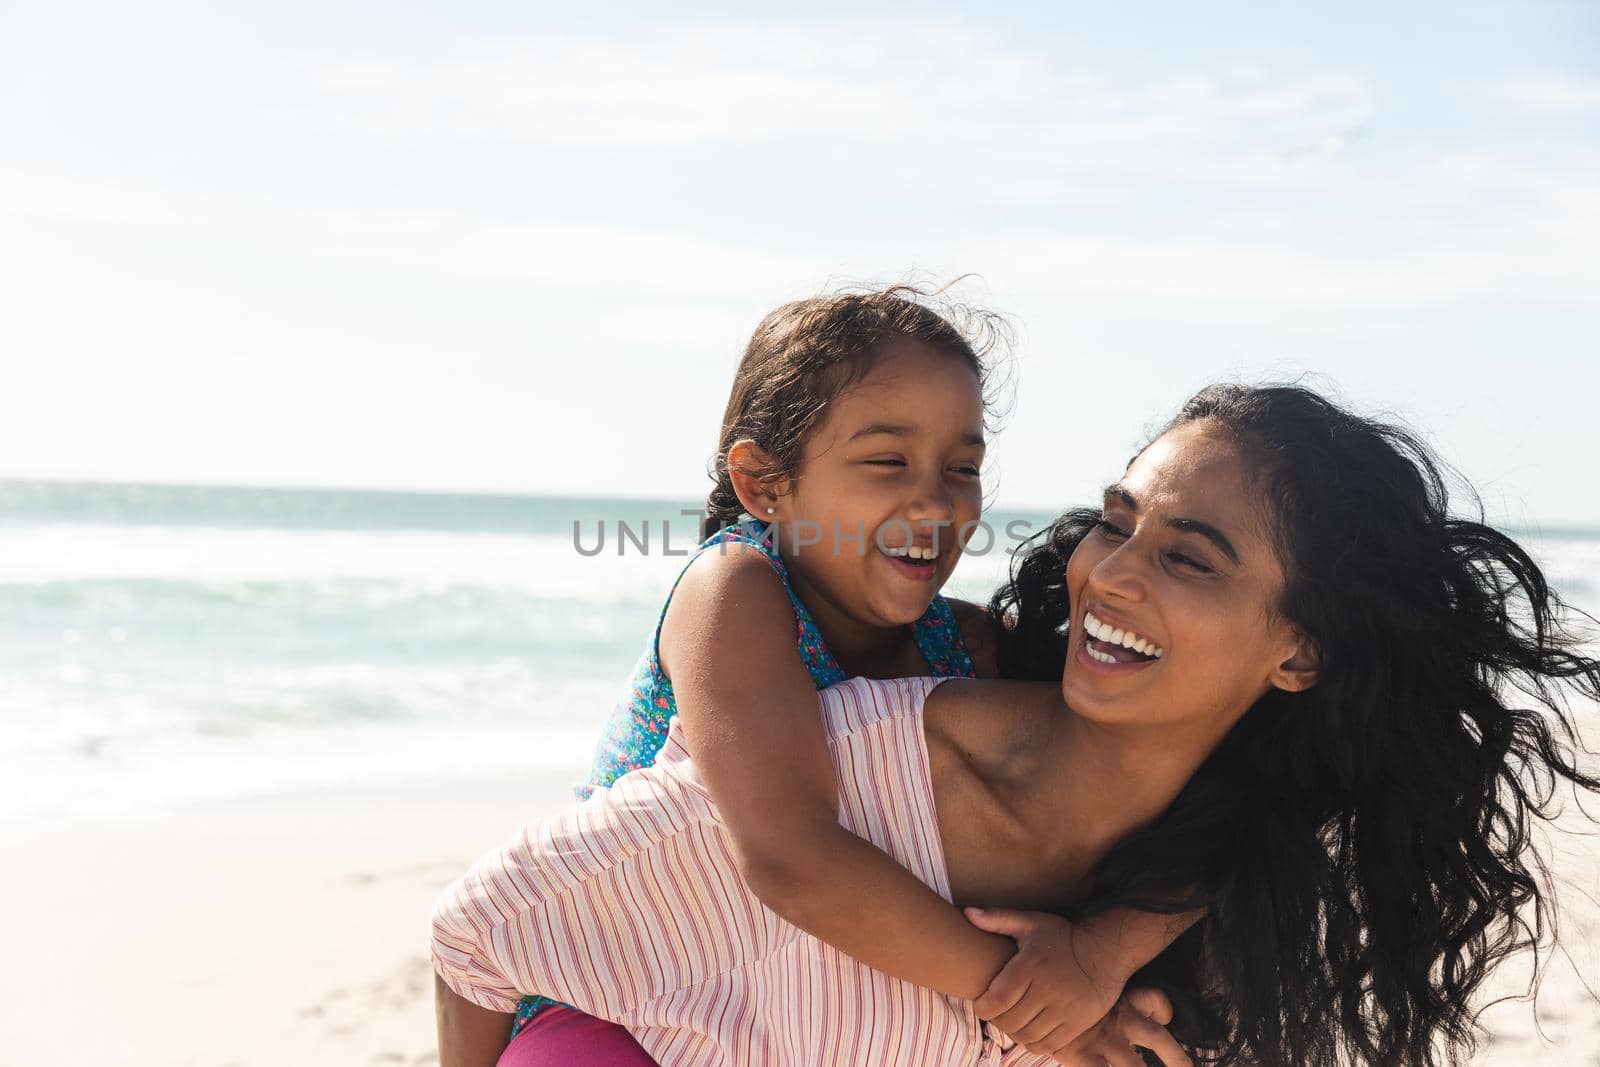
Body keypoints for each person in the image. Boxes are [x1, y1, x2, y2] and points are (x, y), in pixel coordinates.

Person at [435, 383, 1600, 1065]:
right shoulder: (854, 761)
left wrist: (1098, 963)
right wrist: (1021, 989)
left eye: (1186, 555)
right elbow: (483, 926)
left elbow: (1262, 803)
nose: (1108, 576)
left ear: (1301, 651)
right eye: (1116, 522)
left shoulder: (1206, 897)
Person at [436, 287, 1199, 1067]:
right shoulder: (733, 590)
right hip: (625, 998)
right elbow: (787, 853)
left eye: (962, 466)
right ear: (765, 485)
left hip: (792, 1008)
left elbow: (1167, 787)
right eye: (886, 461)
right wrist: (1041, 1006)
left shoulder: (961, 642)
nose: (936, 499)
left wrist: (1103, 952)